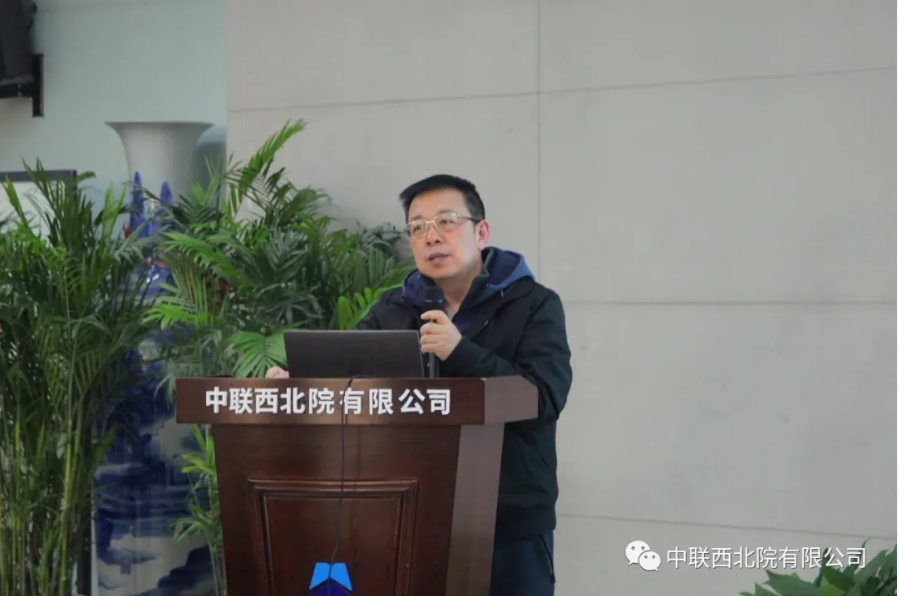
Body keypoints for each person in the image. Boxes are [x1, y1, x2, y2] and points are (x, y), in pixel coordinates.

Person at [266, 174, 572, 596]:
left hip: (508, 520)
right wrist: (301, 384)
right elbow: (348, 376)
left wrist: (460, 351)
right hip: (410, 513)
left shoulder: (534, 305)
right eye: (417, 227)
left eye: (446, 221)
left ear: (481, 232)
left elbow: (543, 397)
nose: (431, 237)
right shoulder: (392, 308)